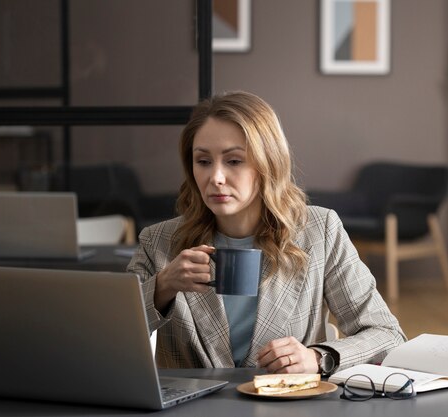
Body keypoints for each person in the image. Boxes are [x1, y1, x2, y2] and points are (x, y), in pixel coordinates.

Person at [127, 91, 405, 374]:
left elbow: (387, 334)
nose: (216, 177)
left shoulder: (320, 232)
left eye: (234, 161)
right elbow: (110, 338)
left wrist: (318, 358)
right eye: (203, 161)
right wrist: (162, 287)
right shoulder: (158, 241)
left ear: (267, 162)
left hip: (286, 407)